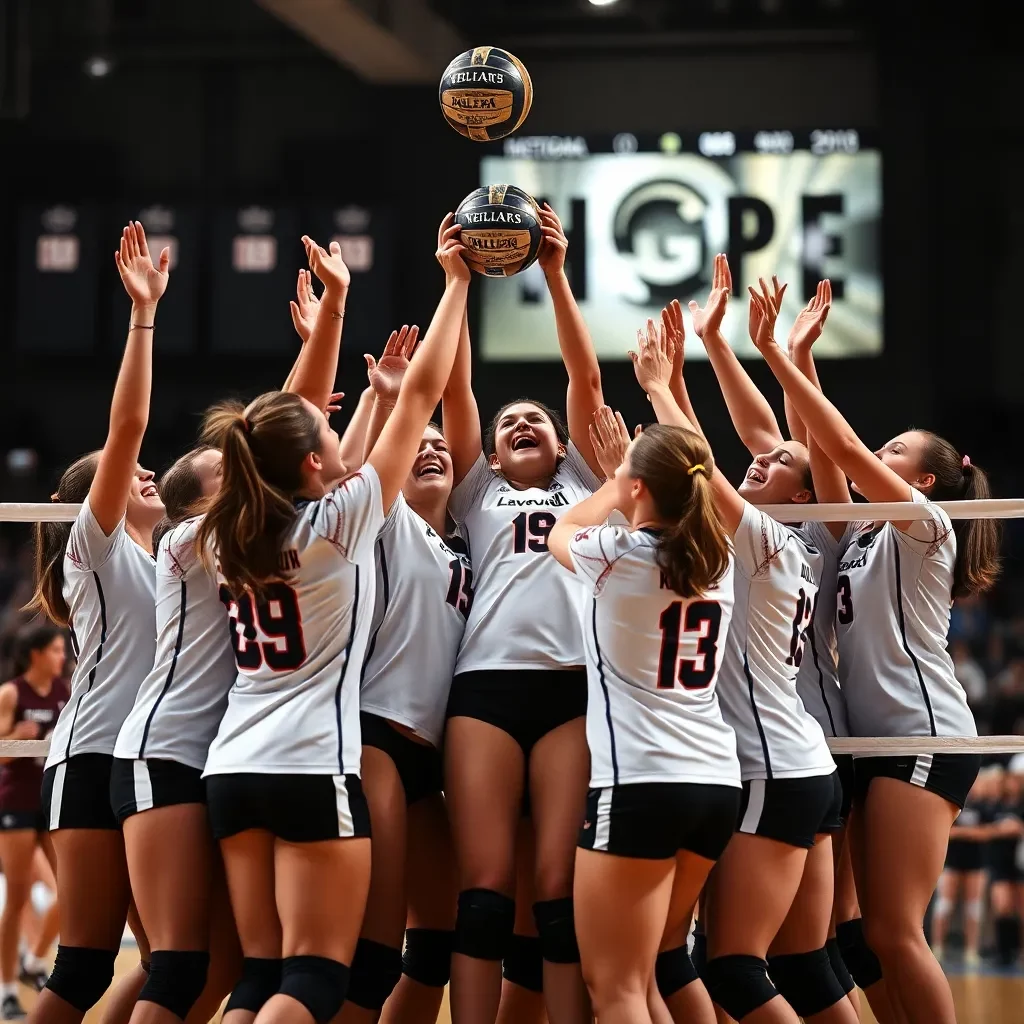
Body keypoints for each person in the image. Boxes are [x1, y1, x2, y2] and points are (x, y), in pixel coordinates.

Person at [197, 224, 470, 1024]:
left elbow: (281, 422)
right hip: (312, 760)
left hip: (232, 764)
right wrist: (456, 283)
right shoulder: (335, 525)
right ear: (317, 465)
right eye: (328, 431)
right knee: (318, 978)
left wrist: (335, 316)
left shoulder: (225, 532)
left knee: (259, 977)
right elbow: (418, 396)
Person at [749, 283, 1002, 1024]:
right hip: (875, 742)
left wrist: (773, 353)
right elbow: (819, 445)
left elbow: (846, 448)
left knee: (894, 930)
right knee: (858, 938)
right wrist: (795, 356)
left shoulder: (925, 527)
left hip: (919, 737)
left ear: (921, 480)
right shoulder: (860, 534)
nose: (875, 452)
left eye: (897, 452)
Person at [630, 315, 848, 1024]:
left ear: (804, 498)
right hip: (802, 764)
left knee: (729, 970)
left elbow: (700, 468)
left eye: (781, 463)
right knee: (803, 967)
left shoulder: (764, 542)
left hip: (770, 769)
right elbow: (711, 474)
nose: (760, 462)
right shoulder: (783, 544)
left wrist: (663, 386)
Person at [441, 206, 605, 1024]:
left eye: (534, 417)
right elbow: (457, 386)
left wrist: (554, 273)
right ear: (492, 456)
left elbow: (585, 381)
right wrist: (459, 280)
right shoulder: (476, 493)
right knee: (482, 898)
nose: (521, 421)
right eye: (508, 425)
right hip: (485, 692)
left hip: (574, 692)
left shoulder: (585, 485)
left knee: (557, 897)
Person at [548, 408, 741, 1024]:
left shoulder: (615, 550)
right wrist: (629, 476)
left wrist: (608, 486)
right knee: (656, 964)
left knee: (616, 988)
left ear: (639, 486)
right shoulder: (721, 559)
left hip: (640, 785)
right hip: (714, 783)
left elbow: (558, 531)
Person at [24, 222, 168, 1023]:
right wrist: (142, 317)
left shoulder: (172, 555)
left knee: (169, 962)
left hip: (146, 763)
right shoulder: (97, 545)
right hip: (92, 757)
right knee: (83, 962)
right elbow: (127, 431)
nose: (146, 475)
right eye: (130, 476)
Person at [336, 321, 463, 1024]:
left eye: (446, 446)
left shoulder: (468, 542)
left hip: (432, 759)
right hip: (376, 736)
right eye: (422, 444)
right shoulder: (383, 521)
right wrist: (382, 404)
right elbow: (351, 470)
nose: (435, 448)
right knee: (373, 952)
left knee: (437, 947)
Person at [109, 440, 242, 1024]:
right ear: (194, 503)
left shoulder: (250, 541)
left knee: (226, 963)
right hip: (162, 753)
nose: (242, 468)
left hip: (217, 761)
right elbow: (272, 438)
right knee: (177, 961)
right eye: (226, 469)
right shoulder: (190, 539)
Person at [0, 625, 68, 1018]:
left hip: (51, 800)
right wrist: (17, 738)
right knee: (18, 898)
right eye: (56, 650)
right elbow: (2, 752)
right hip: (16, 802)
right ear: (36, 655)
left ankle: (34, 961)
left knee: (70, 891)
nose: (62, 657)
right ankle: (8, 989)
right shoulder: (12, 692)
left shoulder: (65, 691)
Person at [930, 769, 997, 965]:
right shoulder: (954, 801)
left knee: (973, 907)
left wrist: (962, 832)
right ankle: (937, 948)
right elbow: (944, 830)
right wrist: (971, 832)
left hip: (976, 862)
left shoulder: (985, 806)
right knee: (944, 905)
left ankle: (971, 950)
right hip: (951, 860)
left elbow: (987, 833)